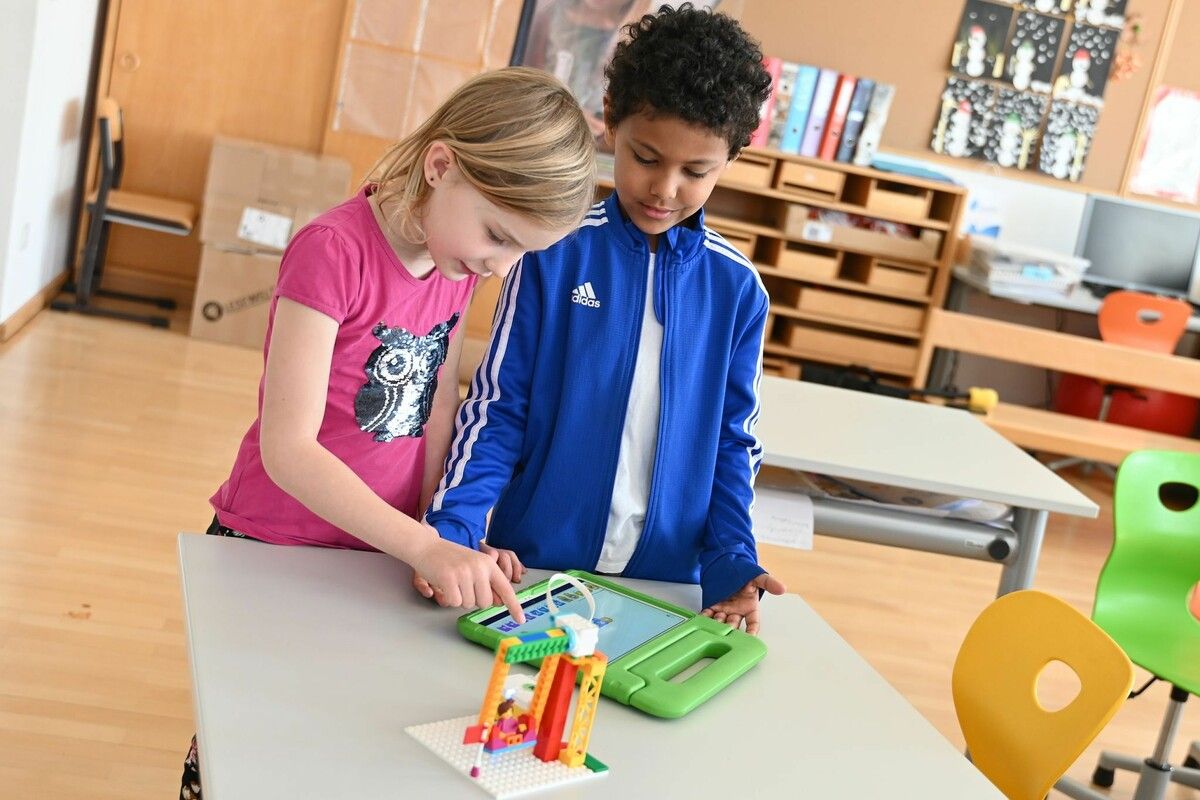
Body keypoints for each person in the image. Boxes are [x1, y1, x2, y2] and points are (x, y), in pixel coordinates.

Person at [179, 67, 596, 800]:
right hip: (274, 546)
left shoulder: (454, 261)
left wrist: (448, 533)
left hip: (373, 548)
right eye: (499, 235)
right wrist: (421, 545)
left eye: (521, 253)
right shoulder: (331, 250)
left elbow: (436, 406)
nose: (500, 266)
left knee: (330, 733)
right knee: (237, 743)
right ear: (440, 166)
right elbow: (289, 449)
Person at [424, 4, 786, 636]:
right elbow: (498, 405)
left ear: (729, 158)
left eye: (696, 172)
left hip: (666, 585)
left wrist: (732, 560)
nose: (665, 189)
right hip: (531, 571)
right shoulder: (551, 253)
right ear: (612, 120)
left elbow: (735, 442)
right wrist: (455, 528)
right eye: (645, 157)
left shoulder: (738, 290)